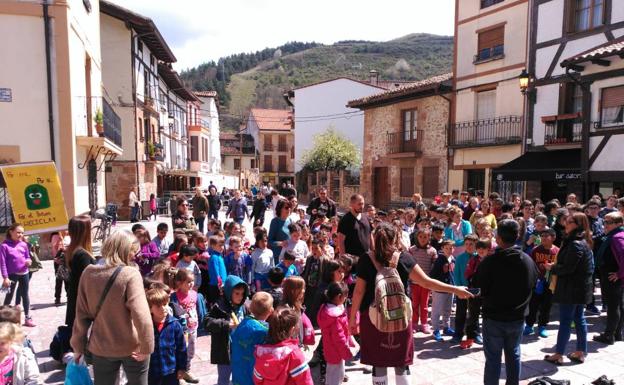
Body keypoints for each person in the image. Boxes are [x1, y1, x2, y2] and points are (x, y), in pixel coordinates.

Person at [349, 223, 472, 385]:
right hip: (400, 316)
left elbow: (358, 292)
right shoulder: (404, 258)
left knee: (378, 362)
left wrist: (352, 320)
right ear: (396, 238)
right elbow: (427, 282)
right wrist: (455, 289)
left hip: (373, 319)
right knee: (401, 361)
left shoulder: (366, 259)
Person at [71, 230, 154, 385]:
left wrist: (78, 346)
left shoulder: (88, 273)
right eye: (133, 252)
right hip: (132, 346)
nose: (134, 256)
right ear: (124, 250)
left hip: (102, 345)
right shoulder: (130, 274)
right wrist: (146, 345)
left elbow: (81, 314)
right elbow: (141, 315)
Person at [472, 219, 538, 385]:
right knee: (514, 354)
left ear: (498, 238)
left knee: (494, 359)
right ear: (517, 236)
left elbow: (478, 289)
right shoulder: (528, 261)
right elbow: (533, 284)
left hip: (494, 318)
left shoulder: (490, 262)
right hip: (516, 317)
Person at [543, 212, 594, 365]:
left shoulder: (576, 243)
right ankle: (580, 352)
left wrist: (553, 267)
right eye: (566, 220)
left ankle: (559, 354)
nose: (566, 223)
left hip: (571, 289)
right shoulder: (581, 241)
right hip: (579, 288)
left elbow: (568, 268)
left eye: (570, 221)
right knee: (579, 319)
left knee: (566, 320)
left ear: (578, 225)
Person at [205, 275, 249, 385]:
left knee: (239, 376)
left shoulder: (243, 307)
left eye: (242, 294)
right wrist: (226, 324)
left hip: (240, 349)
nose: (240, 297)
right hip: (225, 351)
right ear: (229, 292)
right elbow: (207, 322)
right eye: (237, 293)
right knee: (224, 378)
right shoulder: (219, 306)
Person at [253, 307, 313, 385]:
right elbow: (305, 381)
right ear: (292, 329)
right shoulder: (294, 354)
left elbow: (257, 380)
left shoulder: (261, 353)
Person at [593, 211, 624, 345]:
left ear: (619, 224)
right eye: (604, 222)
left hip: (613, 276)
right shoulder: (613, 235)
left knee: (613, 306)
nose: (604, 225)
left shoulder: (617, 237)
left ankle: (609, 335)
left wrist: (619, 274)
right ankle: (617, 333)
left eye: (608, 222)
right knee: (618, 305)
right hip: (613, 276)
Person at [146, 287, 187, 385]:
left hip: (171, 371)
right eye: (158, 306)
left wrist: (182, 368)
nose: (163, 308)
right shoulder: (146, 326)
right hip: (152, 372)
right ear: (150, 308)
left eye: (165, 304)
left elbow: (181, 348)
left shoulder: (175, 324)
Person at [230, 292, 273, 385]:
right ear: (271, 311)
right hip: (254, 377)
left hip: (238, 372)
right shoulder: (265, 331)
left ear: (251, 308)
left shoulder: (244, 322)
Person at [317, 282, 355, 385]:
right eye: (345, 297)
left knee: (333, 374)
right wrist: (346, 352)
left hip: (330, 349)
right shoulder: (335, 316)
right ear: (339, 297)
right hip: (337, 351)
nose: (346, 299)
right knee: (336, 377)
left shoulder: (325, 309)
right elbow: (339, 338)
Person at [524, 228, 559, 338]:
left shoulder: (557, 251)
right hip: (537, 282)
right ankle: (529, 326)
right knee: (533, 304)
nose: (543, 238)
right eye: (542, 236)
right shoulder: (535, 250)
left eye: (546, 236)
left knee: (546, 305)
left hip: (550, 283)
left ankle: (542, 326)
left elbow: (560, 266)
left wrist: (553, 266)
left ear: (553, 238)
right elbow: (531, 265)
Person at [65, 215, 95, 330]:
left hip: (75, 296)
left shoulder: (73, 250)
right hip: (82, 300)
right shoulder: (82, 255)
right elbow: (89, 279)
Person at [0, 224, 34, 327]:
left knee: (25, 295)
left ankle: (28, 318)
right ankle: (3, 319)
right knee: (9, 296)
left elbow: (27, 256)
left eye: (22, 233)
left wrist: (29, 261)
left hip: (24, 273)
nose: (21, 235)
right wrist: (5, 277)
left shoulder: (23, 244)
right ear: (11, 232)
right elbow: (2, 263)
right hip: (11, 275)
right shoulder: (4, 246)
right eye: (18, 232)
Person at [169, 269, 200, 383]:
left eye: (192, 281)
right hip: (181, 330)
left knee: (191, 351)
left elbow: (197, 309)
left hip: (193, 328)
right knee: (181, 351)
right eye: (188, 282)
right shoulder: (175, 297)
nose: (191, 284)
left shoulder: (195, 294)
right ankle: (179, 373)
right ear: (179, 283)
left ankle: (187, 370)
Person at [408, 229, 437, 333]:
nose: (423, 239)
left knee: (424, 305)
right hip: (414, 282)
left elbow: (434, 266)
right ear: (417, 237)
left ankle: (424, 323)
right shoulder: (412, 250)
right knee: (415, 303)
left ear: (429, 237)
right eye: (420, 237)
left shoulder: (432, 251)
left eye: (425, 237)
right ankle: (414, 323)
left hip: (426, 282)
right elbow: (408, 265)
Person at [452, 234, 478, 344]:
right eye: (466, 244)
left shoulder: (478, 257)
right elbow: (456, 274)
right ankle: (458, 333)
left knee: (474, 313)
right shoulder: (459, 258)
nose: (468, 246)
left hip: (475, 290)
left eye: (471, 244)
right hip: (462, 289)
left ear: (476, 245)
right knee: (460, 312)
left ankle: (474, 334)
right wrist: (458, 288)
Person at [430, 240, 456, 341]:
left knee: (447, 310)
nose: (449, 250)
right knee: (436, 310)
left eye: (451, 248)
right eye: (447, 248)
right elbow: (433, 275)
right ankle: (436, 329)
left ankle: (446, 327)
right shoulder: (439, 260)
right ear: (442, 249)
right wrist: (436, 285)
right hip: (440, 289)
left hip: (451, 288)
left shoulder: (453, 259)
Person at [337, 194, 372, 258]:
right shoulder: (345, 220)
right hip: (352, 259)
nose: (362, 206)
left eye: (363, 204)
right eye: (359, 204)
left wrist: (373, 253)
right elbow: (341, 241)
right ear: (352, 204)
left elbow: (370, 235)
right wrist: (344, 259)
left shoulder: (366, 218)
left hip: (366, 258)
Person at [268, 199, 292, 265]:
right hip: (278, 256)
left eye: (290, 207)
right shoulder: (275, 221)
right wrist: (280, 243)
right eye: (286, 207)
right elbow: (269, 241)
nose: (289, 209)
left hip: (288, 256)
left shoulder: (290, 220)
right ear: (280, 209)